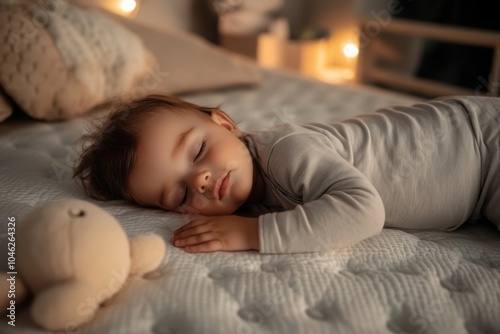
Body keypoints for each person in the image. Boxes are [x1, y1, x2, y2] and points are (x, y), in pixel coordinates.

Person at [74, 94, 500, 254]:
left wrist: (250, 235)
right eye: (180, 196)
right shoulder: (252, 192)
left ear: (225, 123)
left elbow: (364, 209)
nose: (200, 180)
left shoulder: (285, 150)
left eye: (198, 150)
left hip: (480, 143)